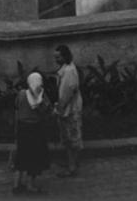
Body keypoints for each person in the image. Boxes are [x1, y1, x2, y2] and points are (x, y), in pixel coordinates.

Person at [12, 72, 52, 194]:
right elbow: (45, 110)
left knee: (21, 156)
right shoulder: (41, 95)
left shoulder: (21, 94)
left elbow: (16, 109)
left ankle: (16, 184)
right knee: (34, 157)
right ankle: (30, 185)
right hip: (35, 129)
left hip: (22, 128)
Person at [54, 44, 83, 177]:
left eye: (58, 57)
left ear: (65, 56)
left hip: (70, 109)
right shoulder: (66, 68)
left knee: (71, 139)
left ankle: (72, 167)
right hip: (68, 107)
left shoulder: (69, 71)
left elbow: (67, 93)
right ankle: (71, 162)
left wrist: (59, 108)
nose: (56, 59)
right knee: (68, 138)